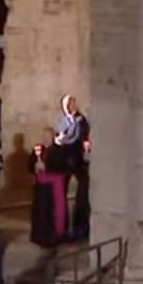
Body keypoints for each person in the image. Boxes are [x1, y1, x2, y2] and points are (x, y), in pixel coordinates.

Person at [53, 93, 91, 241]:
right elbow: (58, 136)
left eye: (73, 103)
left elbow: (84, 136)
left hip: (78, 160)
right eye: (68, 104)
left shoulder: (81, 120)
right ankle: (61, 228)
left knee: (83, 192)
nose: (71, 106)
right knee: (60, 193)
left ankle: (80, 227)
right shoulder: (61, 120)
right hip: (63, 160)